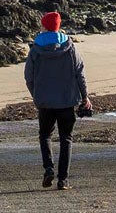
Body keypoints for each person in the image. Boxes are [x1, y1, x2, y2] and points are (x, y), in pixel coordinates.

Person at [24, 11, 91, 190]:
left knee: (45, 135)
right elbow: (80, 73)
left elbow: (28, 77)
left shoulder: (35, 49)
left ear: (44, 26)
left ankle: (48, 169)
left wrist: (36, 96)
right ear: (59, 26)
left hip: (45, 102)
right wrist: (85, 97)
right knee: (66, 139)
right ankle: (63, 180)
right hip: (67, 101)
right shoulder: (70, 48)